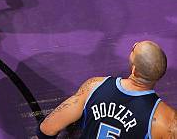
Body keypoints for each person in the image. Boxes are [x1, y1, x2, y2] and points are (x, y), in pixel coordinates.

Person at [37, 40, 176, 138]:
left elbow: (48, 128)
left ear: (134, 70)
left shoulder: (94, 86)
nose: (133, 45)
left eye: (134, 49)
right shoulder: (166, 119)